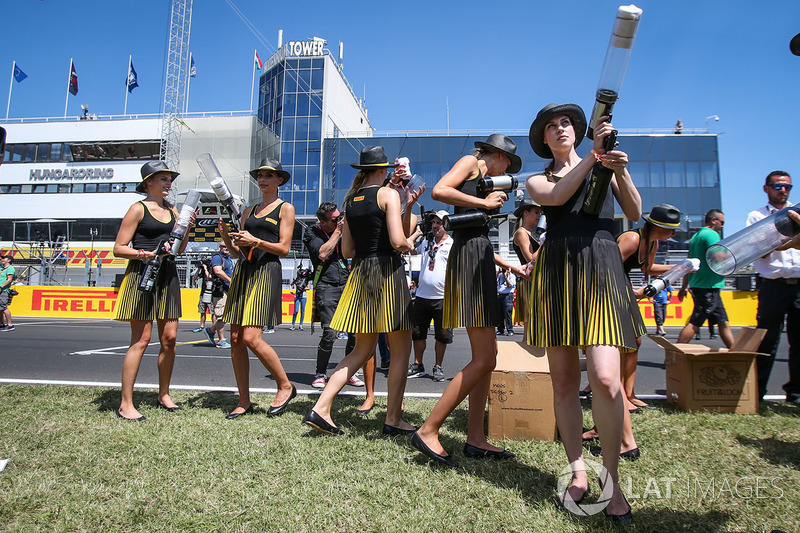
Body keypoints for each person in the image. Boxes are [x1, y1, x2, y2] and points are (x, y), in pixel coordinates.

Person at [525, 104, 643, 521]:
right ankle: (578, 471)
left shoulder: (602, 165)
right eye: (552, 127)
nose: (560, 130)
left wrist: (619, 169)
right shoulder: (537, 179)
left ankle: (612, 483)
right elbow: (556, 197)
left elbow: (633, 212)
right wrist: (595, 157)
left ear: (577, 131)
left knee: (608, 380)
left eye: (567, 124)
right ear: (543, 138)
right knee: (564, 383)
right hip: (557, 271)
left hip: (601, 265)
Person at [412, 134, 527, 468]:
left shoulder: (484, 177)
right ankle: (430, 429)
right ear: (499, 156)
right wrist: (485, 203)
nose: (508, 169)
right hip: (470, 254)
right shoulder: (470, 163)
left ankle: (476, 437)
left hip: (478, 252)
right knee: (486, 356)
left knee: (485, 358)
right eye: (508, 162)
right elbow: (439, 191)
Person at [304, 145, 418, 436]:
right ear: (383, 171)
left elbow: (347, 249)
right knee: (401, 350)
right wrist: (410, 242)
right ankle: (393, 418)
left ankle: (322, 407)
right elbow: (396, 241)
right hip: (387, 273)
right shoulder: (388, 194)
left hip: (360, 273)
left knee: (361, 350)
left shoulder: (350, 201)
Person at [113, 161, 193, 421]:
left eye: (169, 179)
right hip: (142, 274)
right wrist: (145, 253)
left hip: (167, 275)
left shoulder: (173, 210)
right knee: (141, 339)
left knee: (170, 339)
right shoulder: (137, 209)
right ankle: (126, 403)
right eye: (163, 179)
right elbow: (118, 248)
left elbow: (180, 249)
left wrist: (188, 226)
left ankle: (164, 394)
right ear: (149, 182)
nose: (168, 183)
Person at [218, 158, 297, 419]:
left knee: (252, 337)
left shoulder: (286, 208)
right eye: (260, 175)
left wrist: (256, 240)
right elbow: (236, 252)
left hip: (266, 271)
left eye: (268, 175)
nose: (262, 179)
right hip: (244, 271)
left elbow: (284, 249)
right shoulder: (247, 211)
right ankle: (244, 400)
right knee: (236, 339)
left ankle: (285, 385)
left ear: (279, 180)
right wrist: (228, 237)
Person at [746, 170, 800, 404]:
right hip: (772, 284)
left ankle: (795, 392)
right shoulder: (756, 216)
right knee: (767, 339)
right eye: (778, 186)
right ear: (766, 188)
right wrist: (789, 241)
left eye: (787, 186)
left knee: (799, 341)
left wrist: (781, 242)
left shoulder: (797, 212)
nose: (783, 190)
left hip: (798, 283)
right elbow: (758, 248)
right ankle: (758, 392)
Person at [302, 202, 362, 390]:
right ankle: (320, 373)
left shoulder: (346, 229)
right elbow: (322, 253)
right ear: (324, 222)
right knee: (330, 333)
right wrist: (338, 231)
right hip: (326, 285)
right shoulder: (313, 232)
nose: (340, 220)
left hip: (347, 282)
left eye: (340, 216)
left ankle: (349, 372)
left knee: (354, 333)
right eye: (335, 219)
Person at [408, 210, 454, 382]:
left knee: (442, 335)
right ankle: (418, 364)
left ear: (446, 225)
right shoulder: (426, 243)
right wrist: (417, 233)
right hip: (421, 296)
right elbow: (409, 248)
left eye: (439, 223)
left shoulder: (452, 245)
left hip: (443, 297)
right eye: (433, 222)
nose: (435, 226)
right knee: (418, 333)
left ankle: (438, 366)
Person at [677, 209, 735, 347]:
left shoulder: (696, 236)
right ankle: (674, 355)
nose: (723, 226)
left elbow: (689, 264)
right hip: (708, 287)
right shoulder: (711, 234)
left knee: (722, 321)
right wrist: (737, 251)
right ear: (714, 220)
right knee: (695, 322)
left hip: (702, 285)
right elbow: (719, 257)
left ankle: (736, 353)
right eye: (722, 222)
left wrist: (684, 287)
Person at [512, 198, 544, 340]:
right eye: (536, 212)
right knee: (530, 326)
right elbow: (530, 258)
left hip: (536, 279)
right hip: (529, 280)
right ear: (525, 213)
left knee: (538, 325)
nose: (539, 216)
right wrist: (545, 242)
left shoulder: (532, 234)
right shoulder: (521, 233)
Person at [205, 242, 233, 349]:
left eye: (228, 246)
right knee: (221, 315)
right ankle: (221, 339)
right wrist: (231, 281)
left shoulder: (228, 259)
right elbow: (218, 271)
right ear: (219, 247)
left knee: (225, 315)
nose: (226, 249)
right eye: (224, 246)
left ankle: (211, 330)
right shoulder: (217, 258)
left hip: (227, 289)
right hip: (220, 290)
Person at [191, 259, 213, 333]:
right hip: (203, 292)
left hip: (211, 293)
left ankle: (214, 326)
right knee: (202, 310)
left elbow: (209, 277)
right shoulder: (203, 271)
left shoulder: (212, 270)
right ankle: (202, 326)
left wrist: (206, 269)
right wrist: (199, 269)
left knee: (213, 311)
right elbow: (195, 278)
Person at [290, 263, 312, 330]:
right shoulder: (296, 280)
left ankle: (301, 325)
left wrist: (303, 288)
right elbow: (291, 284)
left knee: (302, 311)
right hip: (297, 296)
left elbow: (309, 287)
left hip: (303, 296)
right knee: (295, 311)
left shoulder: (304, 281)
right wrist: (291, 290)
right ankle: (293, 324)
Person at [496, 267, 516, 336]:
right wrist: (499, 272)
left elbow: (509, 285)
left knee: (508, 313)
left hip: (508, 295)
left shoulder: (512, 276)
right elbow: (495, 281)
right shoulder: (500, 275)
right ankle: (500, 329)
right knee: (499, 313)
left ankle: (510, 330)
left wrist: (505, 276)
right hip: (500, 295)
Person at [0, 255, 16, 331]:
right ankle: (1, 323)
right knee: (0, 308)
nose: (2, 259)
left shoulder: (10, 268)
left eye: (4, 258)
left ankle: (10, 324)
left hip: (3, 290)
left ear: (9, 260)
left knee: (3, 307)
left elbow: (9, 279)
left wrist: (1, 286)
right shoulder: (2, 268)